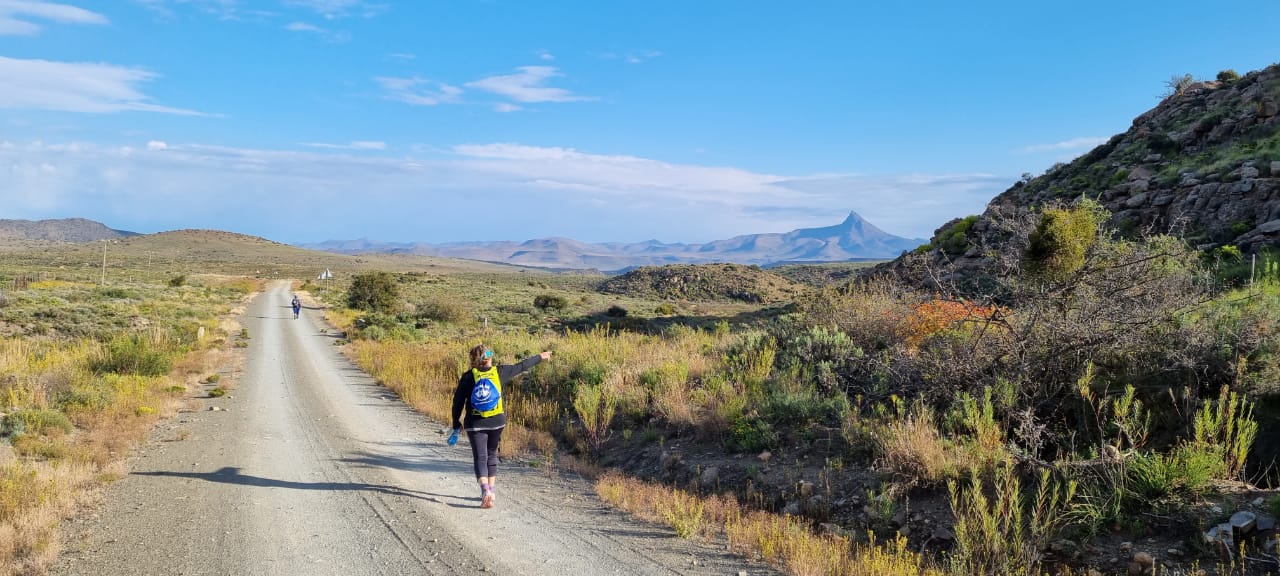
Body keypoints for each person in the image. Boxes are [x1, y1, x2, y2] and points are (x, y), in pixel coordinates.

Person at [451, 344, 552, 509]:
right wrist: (541, 356)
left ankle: (485, 491)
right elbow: (522, 366)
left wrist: (456, 422)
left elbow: (457, 402)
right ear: (489, 358)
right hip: (497, 421)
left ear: (474, 359)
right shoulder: (500, 372)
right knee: (492, 455)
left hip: (475, 423)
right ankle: (491, 490)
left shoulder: (468, 377)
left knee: (480, 457)